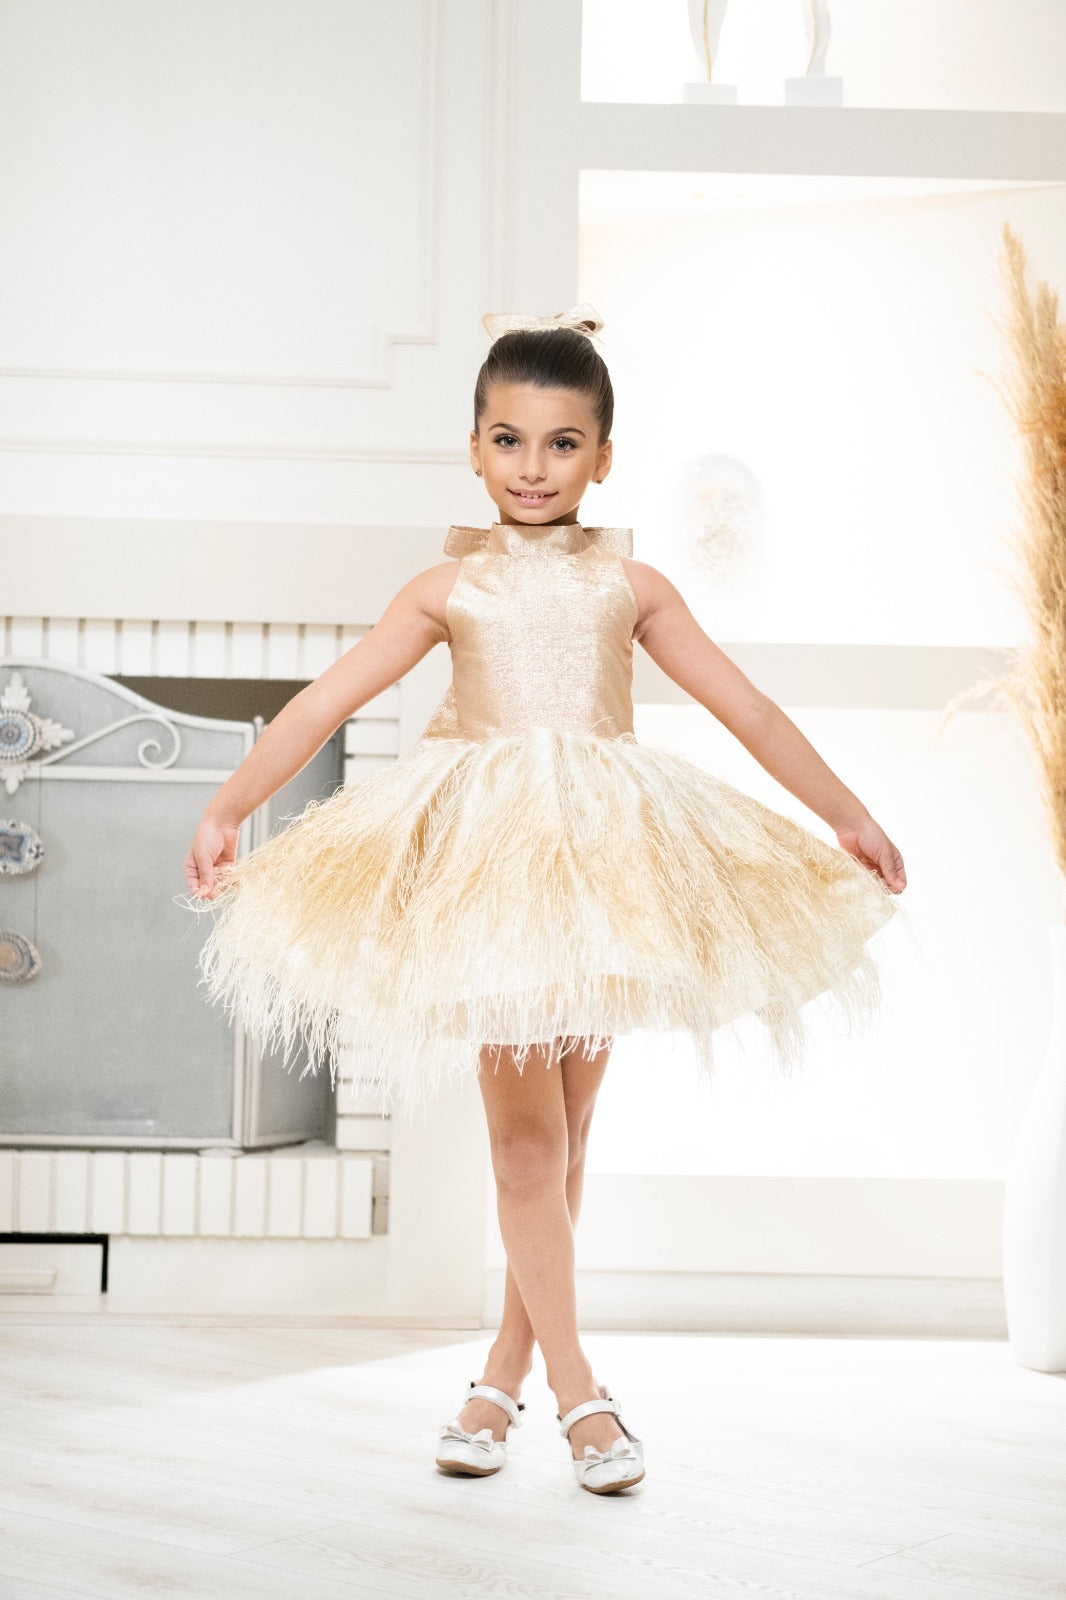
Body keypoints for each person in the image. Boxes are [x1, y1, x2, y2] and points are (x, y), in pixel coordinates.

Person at [182, 303, 909, 1496]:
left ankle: (497, 1378)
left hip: (607, 867)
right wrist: (229, 803)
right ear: (473, 449)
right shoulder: (447, 588)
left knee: (561, 1141)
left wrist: (847, 812)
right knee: (526, 1141)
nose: (533, 467)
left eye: (562, 443)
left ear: (604, 457)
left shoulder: (633, 584)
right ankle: (580, 1395)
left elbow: (748, 709)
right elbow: (323, 700)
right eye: (508, 440)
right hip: (491, 870)